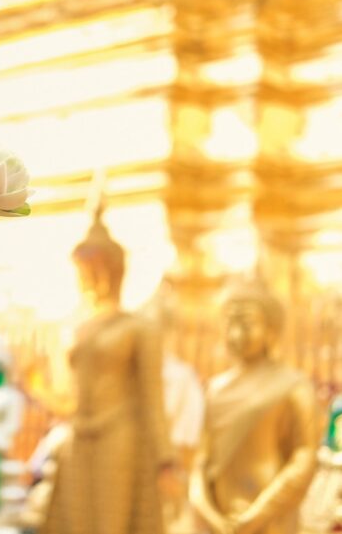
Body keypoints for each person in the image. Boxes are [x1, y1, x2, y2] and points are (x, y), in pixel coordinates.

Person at [40, 201, 174, 534]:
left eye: (90, 270)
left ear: (112, 271)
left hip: (119, 434)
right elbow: (68, 399)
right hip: (78, 436)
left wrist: (166, 459)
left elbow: (152, 397)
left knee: (110, 523)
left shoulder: (138, 328)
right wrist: (40, 389)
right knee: (73, 521)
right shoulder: (74, 328)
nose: (83, 280)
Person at [189, 280, 316, 534]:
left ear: (270, 330)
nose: (236, 334)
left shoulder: (293, 385)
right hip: (218, 518)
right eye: (230, 324)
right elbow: (201, 461)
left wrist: (258, 513)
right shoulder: (214, 389)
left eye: (246, 324)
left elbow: (304, 457)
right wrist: (208, 511)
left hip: (270, 517)